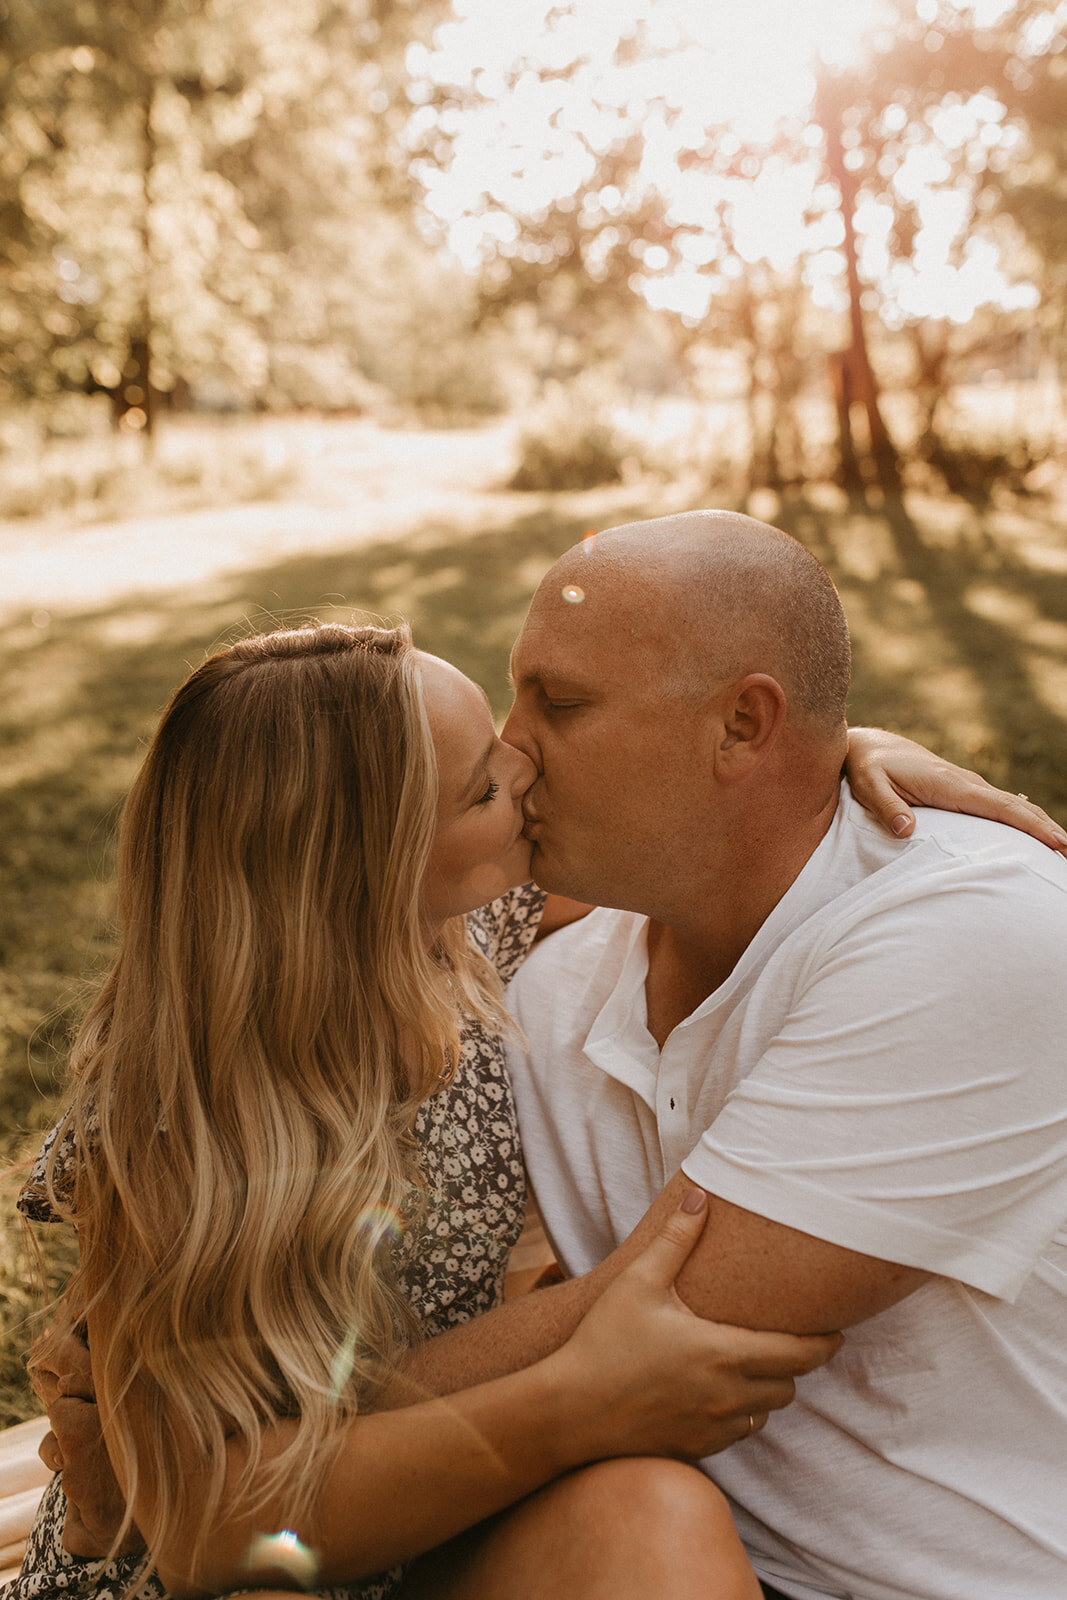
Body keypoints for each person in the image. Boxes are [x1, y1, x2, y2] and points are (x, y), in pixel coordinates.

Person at [14, 596, 1063, 1600]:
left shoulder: (465, 936)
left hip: (433, 1517)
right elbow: (197, 1527)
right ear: (361, 872)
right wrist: (573, 1399)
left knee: (647, 1511)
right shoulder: (176, 1111)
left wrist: (831, 750)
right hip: (233, 1555)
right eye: (480, 788)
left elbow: (709, 821)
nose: (523, 768)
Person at [432, 509, 1066, 1600]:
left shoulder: (971, 934)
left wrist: (258, 1432)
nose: (508, 748)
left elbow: (655, 1319)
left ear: (739, 725)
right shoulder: (542, 974)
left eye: (560, 704)